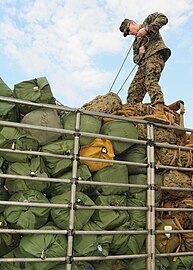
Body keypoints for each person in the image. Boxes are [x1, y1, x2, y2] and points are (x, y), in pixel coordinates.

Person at [120, 12, 171, 124]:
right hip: (144, 62)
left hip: (155, 55)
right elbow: (135, 59)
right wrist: (140, 54)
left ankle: (159, 110)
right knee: (133, 90)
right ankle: (132, 114)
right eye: (127, 33)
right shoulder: (136, 43)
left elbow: (163, 18)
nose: (129, 33)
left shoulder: (148, 21)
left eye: (128, 30)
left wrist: (147, 29)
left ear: (132, 23)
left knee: (150, 80)